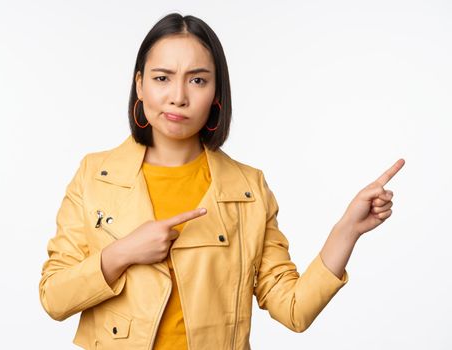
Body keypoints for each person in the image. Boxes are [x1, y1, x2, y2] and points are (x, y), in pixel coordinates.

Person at [38, 12, 405, 350]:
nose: (178, 97)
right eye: (162, 78)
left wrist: (347, 230)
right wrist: (122, 253)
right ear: (140, 85)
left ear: (216, 92)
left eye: (197, 80)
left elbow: (294, 310)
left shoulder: (249, 189)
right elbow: (54, 298)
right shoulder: (94, 176)